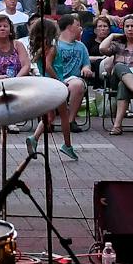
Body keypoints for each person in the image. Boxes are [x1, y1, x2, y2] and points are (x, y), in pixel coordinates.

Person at [31, 15, 92, 159]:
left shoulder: (42, 47)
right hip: (55, 85)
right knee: (64, 116)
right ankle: (67, 145)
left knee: (50, 116)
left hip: (46, 83)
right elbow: (48, 66)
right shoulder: (51, 48)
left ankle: (34, 138)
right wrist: (59, 80)